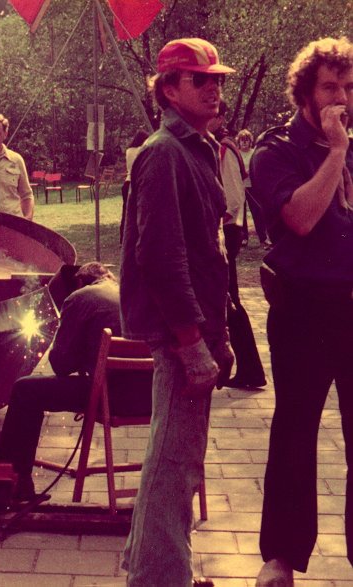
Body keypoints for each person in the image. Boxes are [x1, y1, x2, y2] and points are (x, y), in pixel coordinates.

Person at [119, 38, 235, 586]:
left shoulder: (199, 148)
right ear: (168, 89)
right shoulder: (164, 152)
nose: (214, 88)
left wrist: (220, 333)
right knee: (173, 461)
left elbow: (209, 252)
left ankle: (157, 568)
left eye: (218, 79)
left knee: (175, 457)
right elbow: (161, 257)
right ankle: (160, 579)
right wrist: (191, 343)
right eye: (199, 79)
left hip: (198, 328)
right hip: (178, 334)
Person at [250, 37, 353, 587]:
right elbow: (302, 218)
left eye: (349, 88)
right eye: (330, 87)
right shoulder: (276, 151)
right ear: (305, 93)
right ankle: (281, 557)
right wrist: (335, 152)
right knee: (295, 432)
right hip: (304, 311)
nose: (342, 99)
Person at [0, 262, 151, 500]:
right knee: (35, 389)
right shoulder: (125, 292)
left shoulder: (79, 297)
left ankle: (9, 484)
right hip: (148, 400)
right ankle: (12, 482)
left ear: (79, 281)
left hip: (111, 398)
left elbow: (60, 365)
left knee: (25, 390)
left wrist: (72, 340)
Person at [209, 102, 266, 389]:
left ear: (220, 118)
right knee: (225, 301)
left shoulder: (225, 149)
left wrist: (213, 222)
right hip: (223, 230)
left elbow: (232, 198)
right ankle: (247, 369)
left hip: (226, 231)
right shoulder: (213, 145)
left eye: (213, 114)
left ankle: (250, 370)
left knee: (229, 302)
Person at [236, 129, 270, 248]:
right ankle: (244, 238)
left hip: (253, 187)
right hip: (240, 187)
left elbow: (259, 167)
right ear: (239, 142)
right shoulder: (236, 153)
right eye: (242, 140)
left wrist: (251, 170)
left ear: (250, 141)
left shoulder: (254, 152)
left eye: (246, 140)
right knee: (241, 213)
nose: (244, 142)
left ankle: (263, 238)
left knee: (257, 212)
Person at [120, 130, 150, 242]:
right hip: (136, 183)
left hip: (127, 182)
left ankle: (122, 237)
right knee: (138, 212)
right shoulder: (142, 150)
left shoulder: (129, 151)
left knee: (126, 212)